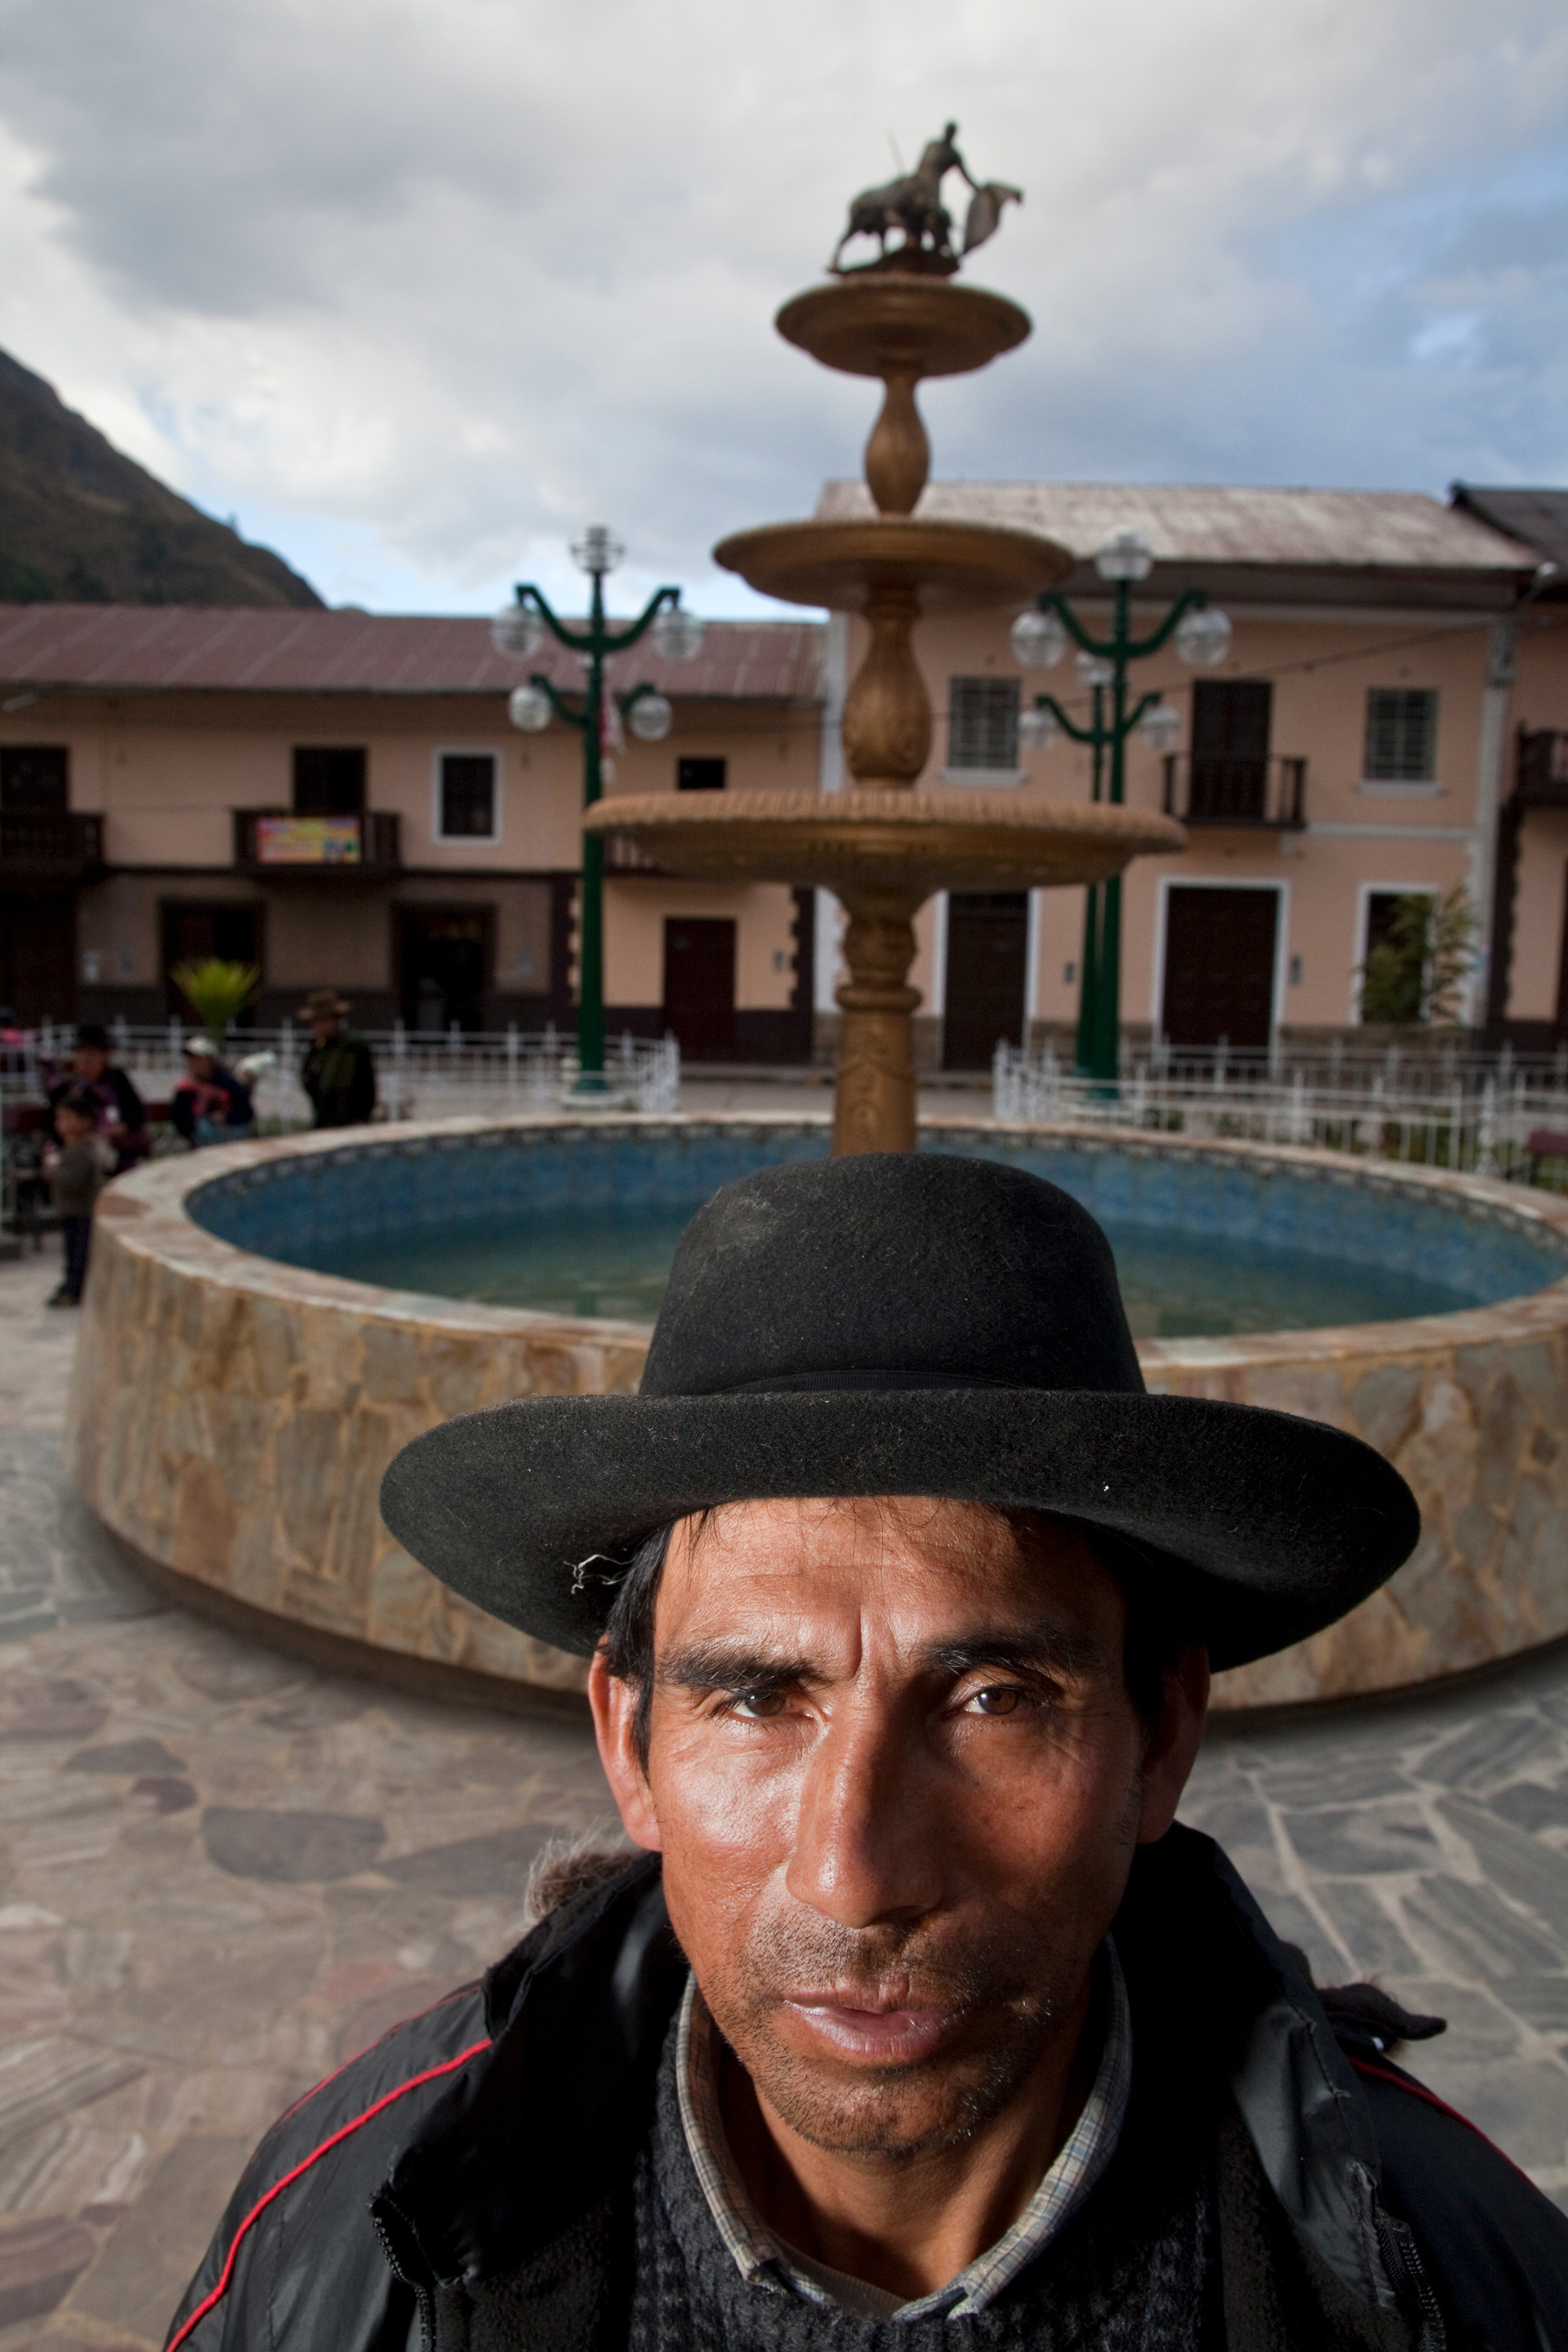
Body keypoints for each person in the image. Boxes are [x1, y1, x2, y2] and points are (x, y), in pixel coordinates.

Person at [166, 1156, 1568, 2352]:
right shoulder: (343, 2245)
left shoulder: (1457, 2279)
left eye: (994, 1700)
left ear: (1163, 1737)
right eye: (758, 1700)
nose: (855, 1878)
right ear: (631, 1745)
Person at [46, 1022, 148, 1174]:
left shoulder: (117, 1079)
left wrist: (122, 1126)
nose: (88, 1060)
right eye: (83, 1053)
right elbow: (53, 1122)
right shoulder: (65, 1085)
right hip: (77, 1150)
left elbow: (137, 1111)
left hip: (118, 1149)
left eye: (94, 1054)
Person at [45, 1085, 109, 1306]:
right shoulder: (71, 1148)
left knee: (79, 1256)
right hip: (71, 1211)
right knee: (72, 1253)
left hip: (81, 1212)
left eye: (67, 1118)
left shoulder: (83, 1151)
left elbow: (74, 1181)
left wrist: (54, 1170)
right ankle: (70, 1286)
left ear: (85, 1121)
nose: (61, 1124)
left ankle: (74, 1289)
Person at [298, 989, 376, 1129]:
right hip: (325, 1119)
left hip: (351, 1119)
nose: (317, 1027)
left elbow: (367, 1085)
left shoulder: (353, 1047)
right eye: (315, 1022)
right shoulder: (317, 1048)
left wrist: (362, 1117)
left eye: (322, 1021)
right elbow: (307, 1078)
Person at [171, 1033, 255, 1147]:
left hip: (231, 1133)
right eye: (191, 1058)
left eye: (198, 1058)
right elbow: (181, 1119)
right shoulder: (185, 1087)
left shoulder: (227, 1083)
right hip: (201, 1139)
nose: (193, 1063)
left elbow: (247, 1111)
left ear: (210, 1060)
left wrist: (226, 1117)